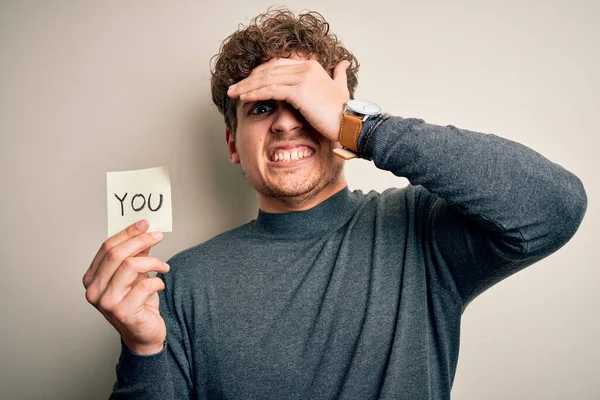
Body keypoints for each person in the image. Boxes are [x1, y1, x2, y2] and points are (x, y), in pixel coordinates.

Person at [83, 8, 587, 400]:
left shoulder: (421, 231)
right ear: (233, 144)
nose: (285, 123)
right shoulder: (177, 283)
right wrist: (143, 350)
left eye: (303, 103)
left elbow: (555, 206)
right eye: (261, 108)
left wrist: (365, 128)